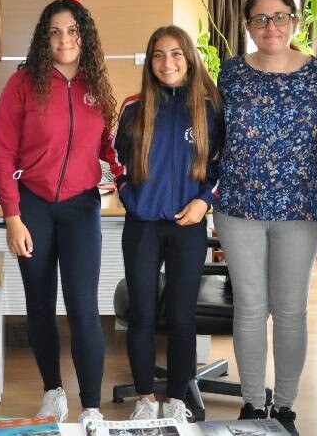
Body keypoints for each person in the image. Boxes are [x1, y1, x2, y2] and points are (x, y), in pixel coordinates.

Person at [213, 0, 317, 434]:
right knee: (249, 308)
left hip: (300, 208)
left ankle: (284, 407)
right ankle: (251, 405)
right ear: (248, 26)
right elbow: (214, 132)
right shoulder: (230, 73)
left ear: (295, 21)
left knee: (290, 310)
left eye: (280, 16)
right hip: (237, 206)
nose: (271, 27)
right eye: (260, 19)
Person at [0, 0, 117, 425]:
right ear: (44, 39)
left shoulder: (96, 84)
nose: (64, 39)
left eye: (73, 31)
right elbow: (2, 154)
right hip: (33, 207)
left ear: (85, 37)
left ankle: (92, 406)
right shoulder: (23, 84)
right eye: (55, 32)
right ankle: (53, 392)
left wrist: (131, 171)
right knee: (40, 305)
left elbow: (110, 147)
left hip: (81, 208)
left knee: (83, 308)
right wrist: (12, 216)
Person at [112, 26, 223, 423]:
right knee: (142, 314)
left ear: (189, 58)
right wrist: (127, 192)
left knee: (181, 316)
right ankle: (145, 398)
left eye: (176, 53)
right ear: (150, 62)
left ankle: (176, 398)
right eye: (158, 54)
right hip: (142, 226)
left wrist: (204, 201)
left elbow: (223, 165)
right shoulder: (133, 107)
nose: (167, 62)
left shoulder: (209, 109)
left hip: (187, 226)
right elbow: (112, 157)